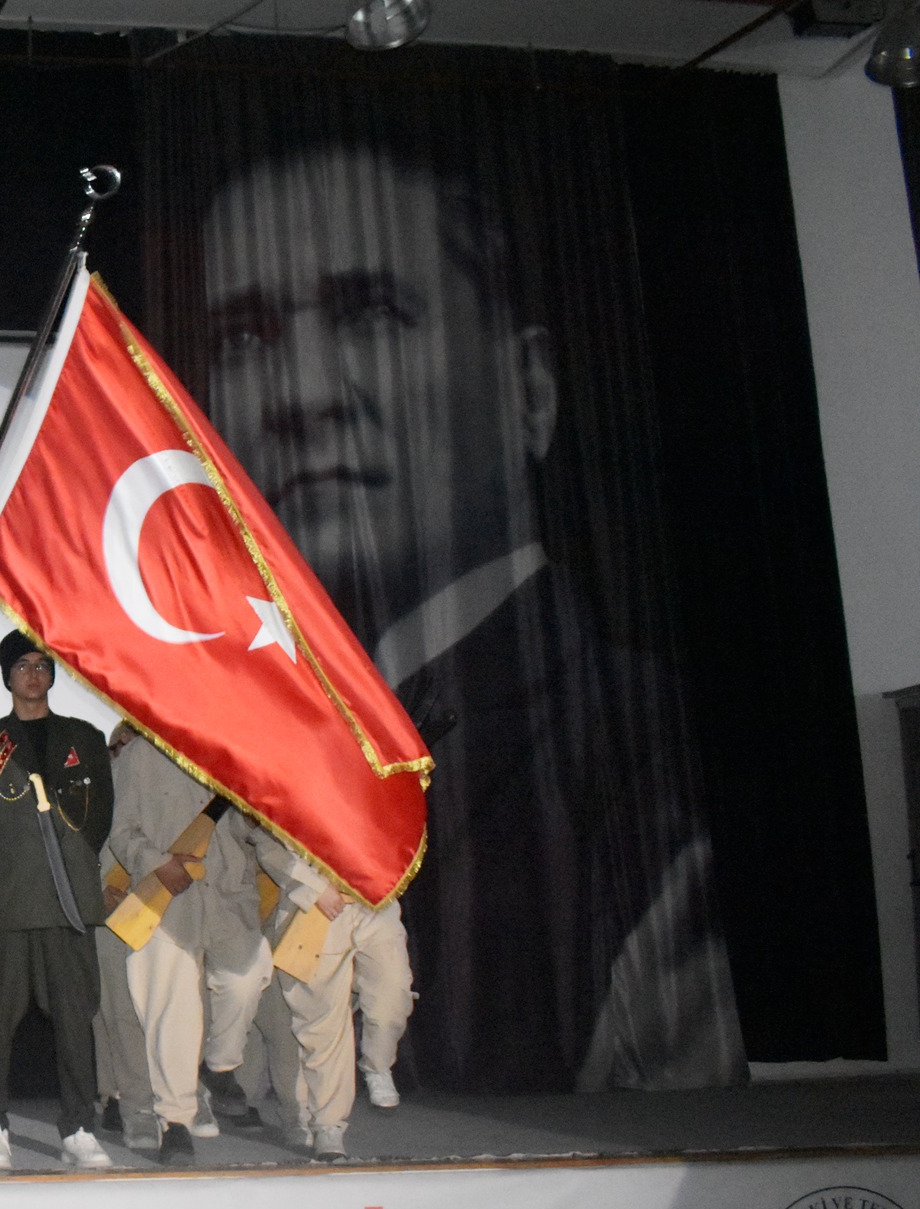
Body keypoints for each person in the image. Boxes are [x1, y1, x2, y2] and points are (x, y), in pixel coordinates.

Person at [201, 137, 744, 1092]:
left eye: (372, 315)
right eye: (245, 339)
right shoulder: (235, 738)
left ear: (528, 392)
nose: (303, 395)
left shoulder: (637, 743)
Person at [0, 631, 114, 1171]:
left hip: (67, 905)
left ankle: (79, 1128)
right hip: (5, 905)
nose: (34, 674)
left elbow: (98, 819)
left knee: (75, 1018)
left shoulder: (85, 738)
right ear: (7, 676)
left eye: (42, 665)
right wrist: (5, 873)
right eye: (22, 665)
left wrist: (67, 866)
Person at [108, 737, 273, 1165]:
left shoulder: (231, 748)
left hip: (227, 894)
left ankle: (218, 1066)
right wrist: (157, 862)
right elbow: (121, 830)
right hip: (165, 895)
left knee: (247, 976)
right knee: (171, 1010)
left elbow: (241, 829)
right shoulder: (139, 755)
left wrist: (253, 819)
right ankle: (175, 1120)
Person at [253, 832, 414, 1163]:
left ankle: (378, 1065)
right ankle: (328, 1125)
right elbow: (267, 841)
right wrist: (313, 887)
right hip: (317, 907)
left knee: (393, 994)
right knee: (322, 1024)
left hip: (373, 897)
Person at [91, 724, 159, 1152]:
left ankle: (145, 1097)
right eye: (123, 743)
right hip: (110, 904)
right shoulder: (96, 786)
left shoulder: (161, 782)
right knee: (114, 1011)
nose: (130, 750)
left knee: (149, 1010)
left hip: (158, 903)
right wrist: (95, 889)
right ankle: (121, 1098)